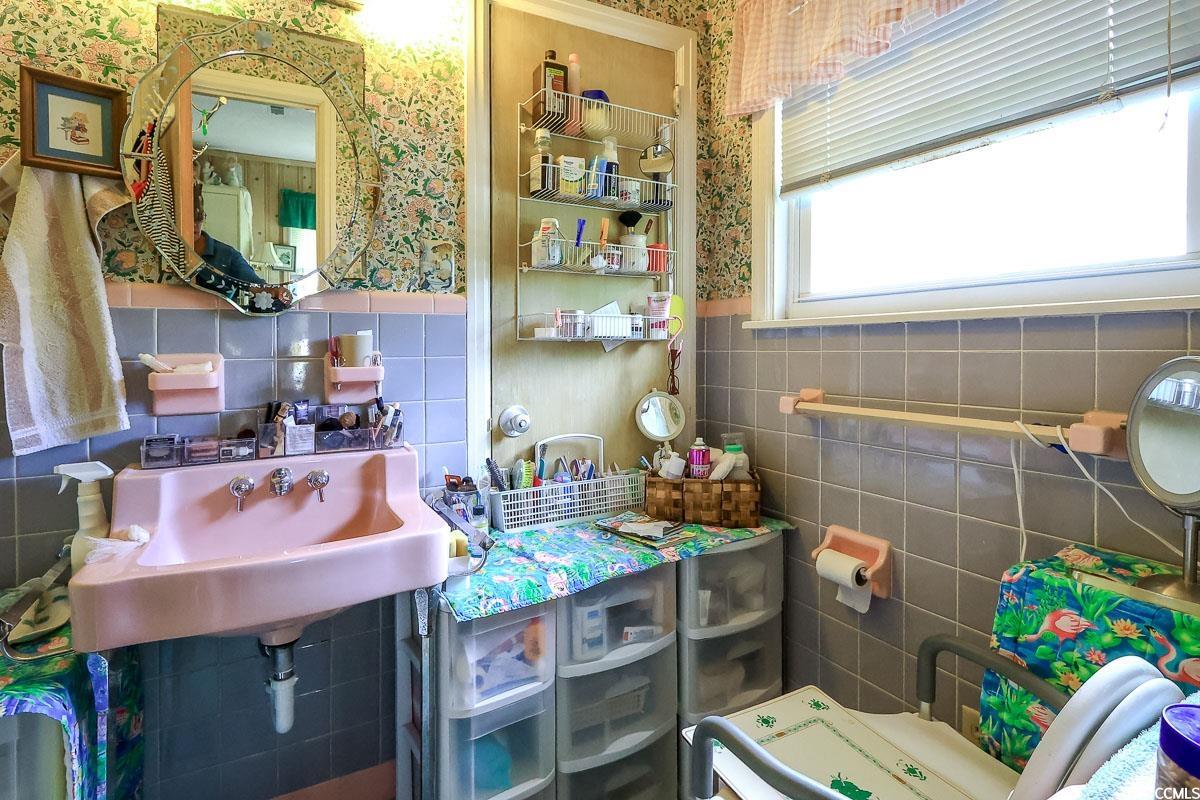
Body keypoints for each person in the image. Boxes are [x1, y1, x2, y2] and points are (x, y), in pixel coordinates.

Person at [192, 183, 264, 286]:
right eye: (191, 217)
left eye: (199, 218)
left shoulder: (227, 255)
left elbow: (256, 285)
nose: (195, 224)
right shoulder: (167, 248)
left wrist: (274, 291)